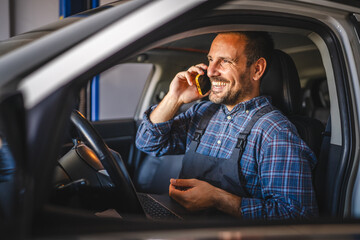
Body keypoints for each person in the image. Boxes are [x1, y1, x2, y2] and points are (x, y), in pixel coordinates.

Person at [136, 31, 318, 220]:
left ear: (257, 69)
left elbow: (298, 215)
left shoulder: (274, 131)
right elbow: (147, 143)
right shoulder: (203, 112)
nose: (211, 71)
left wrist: (219, 199)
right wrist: (175, 98)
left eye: (225, 61)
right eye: (211, 59)